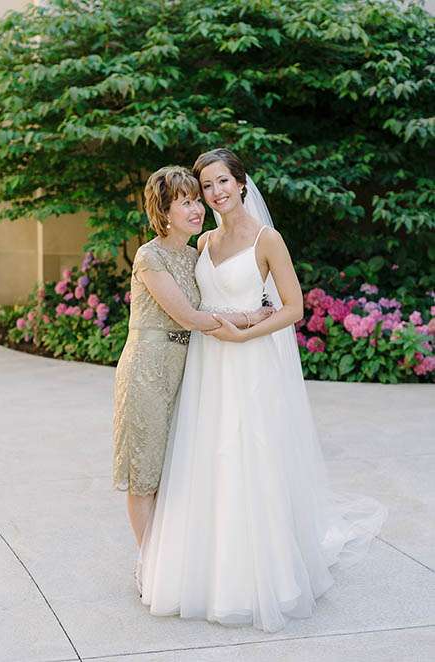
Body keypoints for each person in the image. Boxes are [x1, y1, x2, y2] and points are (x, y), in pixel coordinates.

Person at [138, 148, 387, 632]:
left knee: (251, 455)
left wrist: (245, 333)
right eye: (207, 186)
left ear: (241, 183)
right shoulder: (203, 242)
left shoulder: (267, 239)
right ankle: (207, 571)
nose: (215, 192)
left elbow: (293, 308)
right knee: (208, 456)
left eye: (223, 182)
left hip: (251, 359)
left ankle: (262, 575)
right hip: (208, 363)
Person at [113, 166, 273, 555]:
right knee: (146, 471)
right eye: (183, 202)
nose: (195, 208)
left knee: (177, 465)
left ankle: (176, 557)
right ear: (164, 212)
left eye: (195, 200)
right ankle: (148, 562)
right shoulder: (149, 257)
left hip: (187, 366)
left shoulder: (194, 253)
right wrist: (251, 317)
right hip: (147, 369)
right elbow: (190, 316)